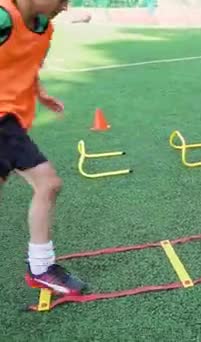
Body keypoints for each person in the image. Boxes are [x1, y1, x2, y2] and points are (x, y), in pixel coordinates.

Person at [0, 0, 86, 295]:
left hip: (10, 124)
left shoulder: (43, 28)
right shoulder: (2, 18)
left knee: (48, 185)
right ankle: (41, 268)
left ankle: (41, 268)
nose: (65, 7)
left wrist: (42, 94)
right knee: (48, 184)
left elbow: (27, 66)